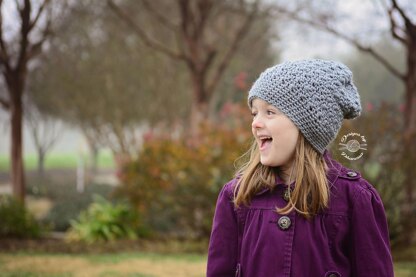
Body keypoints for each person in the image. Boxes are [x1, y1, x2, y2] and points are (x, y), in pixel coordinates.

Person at [206, 59, 394, 277]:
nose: (255, 123)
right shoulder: (238, 196)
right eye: (254, 112)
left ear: (309, 127)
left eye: (270, 112)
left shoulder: (355, 199)